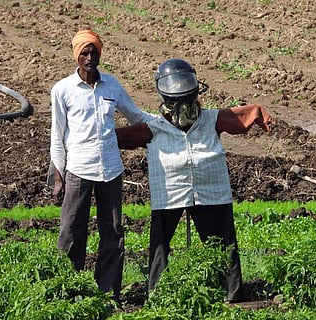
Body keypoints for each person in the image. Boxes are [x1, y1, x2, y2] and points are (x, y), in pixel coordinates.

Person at [116, 58, 275, 302]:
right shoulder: (154, 127)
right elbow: (121, 137)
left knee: (222, 243)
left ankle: (231, 294)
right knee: (160, 245)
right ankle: (158, 295)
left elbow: (239, 116)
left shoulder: (211, 119)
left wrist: (257, 112)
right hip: (170, 192)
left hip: (211, 189)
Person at [48, 26, 155, 300]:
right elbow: (57, 136)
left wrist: (164, 121)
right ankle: (68, 290)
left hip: (110, 170)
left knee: (113, 233)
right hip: (79, 171)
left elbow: (135, 115)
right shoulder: (63, 90)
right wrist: (57, 174)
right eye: (85, 52)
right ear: (77, 56)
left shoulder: (112, 85)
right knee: (71, 231)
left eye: (94, 51)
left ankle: (107, 292)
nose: (90, 56)